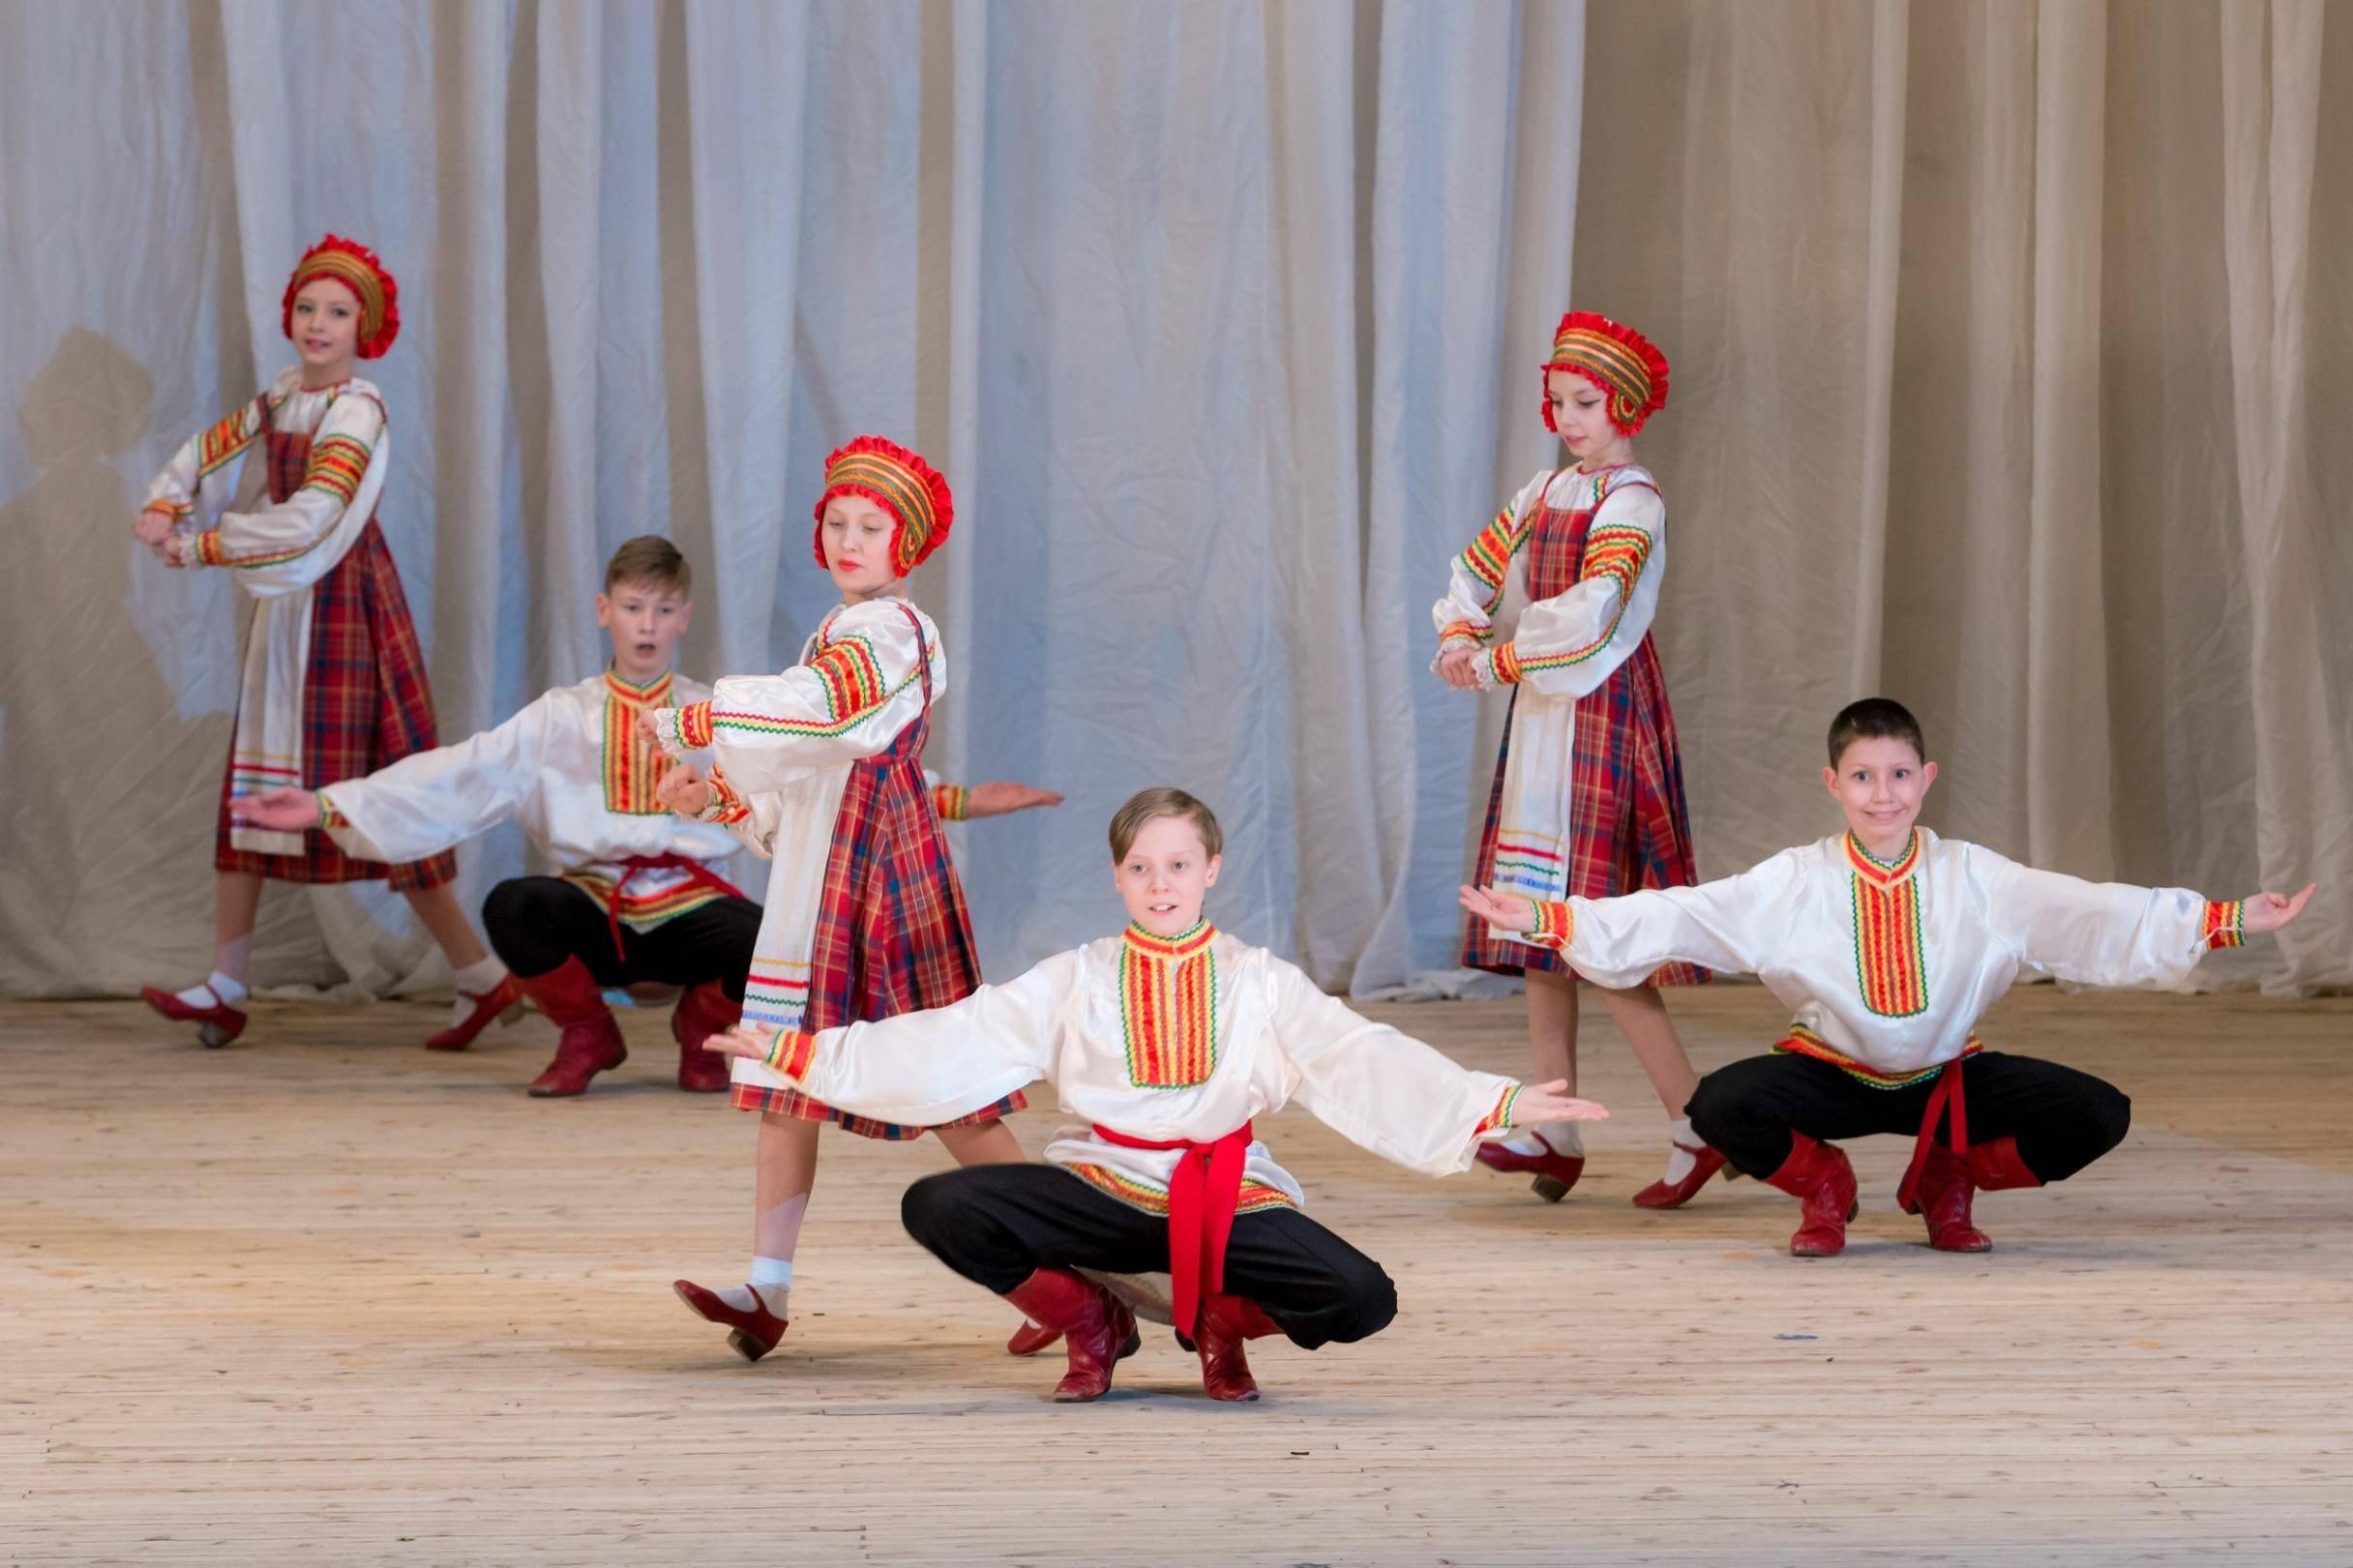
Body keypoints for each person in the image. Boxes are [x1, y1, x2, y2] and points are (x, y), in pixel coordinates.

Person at [702, 787, 1606, 1403]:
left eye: (1178, 865)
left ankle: (1219, 1320)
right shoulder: (1079, 974)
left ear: (1212, 869)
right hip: (1102, 1188)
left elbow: (1357, 1051)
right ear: (1117, 877)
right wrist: (802, 1052)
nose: (1160, 884)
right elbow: (961, 1035)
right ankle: (1089, 1318)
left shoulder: (1257, 978)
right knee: (939, 1204)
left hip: (1223, 1195)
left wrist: (1494, 1103)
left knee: (1363, 1295)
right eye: (1141, 867)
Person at [1463, 696, 2316, 1257]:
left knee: (2099, 1112)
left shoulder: (1976, 876)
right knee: (1717, 1106)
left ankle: (1950, 1176)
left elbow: (2087, 910)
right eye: (1864, 777)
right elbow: (1685, 913)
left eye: (1900, 775)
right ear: (1834, 784)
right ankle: (1824, 1182)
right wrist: (1544, 915)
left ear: (1926, 778)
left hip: (1948, 1083)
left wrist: (2228, 918)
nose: (1883, 795)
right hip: (1830, 1077)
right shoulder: (1796, 879)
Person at [137, 235, 515, 1051]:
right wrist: (168, 498)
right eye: (307, 307)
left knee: (380, 800)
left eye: (337, 312)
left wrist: (204, 544)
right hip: (288, 610)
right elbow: (213, 448)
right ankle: (227, 983)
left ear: (363, 327)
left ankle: (481, 975)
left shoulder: (357, 411)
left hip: (346, 610)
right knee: (253, 782)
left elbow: (314, 514)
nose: (318, 323)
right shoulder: (283, 395)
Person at [1433, 310, 1718, 1207]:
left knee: (1596, 935)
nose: (1569, 418)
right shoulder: (1545, 489)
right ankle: (1555, 1125)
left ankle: (1697, 1123)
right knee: (1538, 922)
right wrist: (1459, 629)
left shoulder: (1633, 501)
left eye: (1586, 402)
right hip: (1546, 718)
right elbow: (1479, 567)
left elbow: (1592, 615)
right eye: (1558, 402)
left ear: (1623, 404)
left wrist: (1494, 661)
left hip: (1602, 713)